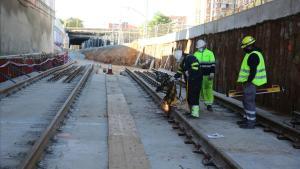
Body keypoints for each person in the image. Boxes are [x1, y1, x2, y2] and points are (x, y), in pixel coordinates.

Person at [237, 35, 267, 129]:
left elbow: (253, 71)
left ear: (249, 46)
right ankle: (247, 119)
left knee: (249, 101)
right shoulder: (251, 54)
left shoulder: (253, 55)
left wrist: (248, 82)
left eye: (245, 47)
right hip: (250, 82)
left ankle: (250, 123)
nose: (244, 49)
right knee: (246, 101)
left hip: (251, 82)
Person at [174, 53, 203, 118]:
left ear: (181, 56)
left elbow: (195, 67)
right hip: (189, 81)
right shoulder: (183, 61)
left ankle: (195, 114)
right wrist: (176, 76)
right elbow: (180, 70)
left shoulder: (190, 58)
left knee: (194, 96)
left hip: (196, 80)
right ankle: (190, 111)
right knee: (189, 96)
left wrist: (189, 72)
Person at [193, 40, 216, 111]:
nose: (200, 48)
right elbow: (194, 64)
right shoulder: (195, 54)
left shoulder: (210, 53)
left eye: (201, 47)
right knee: (199, 89)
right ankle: (198, 104)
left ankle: (209, 105)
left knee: (208, 89)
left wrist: (212, 72)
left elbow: (213, 64)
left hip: (207, 75)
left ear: (204, 46)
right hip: (198, 75)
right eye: (199, 47)